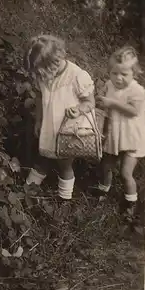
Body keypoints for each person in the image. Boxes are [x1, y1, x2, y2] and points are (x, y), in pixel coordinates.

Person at [24, 34, 95, 200]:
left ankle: (64, 199)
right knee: (42, 158)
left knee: (65, 164)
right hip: (50, 126)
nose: (42, 76)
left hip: (67, 130)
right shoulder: (43, 76)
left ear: (56, 61)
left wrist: (79, 109)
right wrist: (39, 120)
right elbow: (40, 96)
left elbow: (90, 102)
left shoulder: (77, 76)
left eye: (44, 71)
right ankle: (27, 192)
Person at [92, 46, 145, 218]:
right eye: (114, 73)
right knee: (106, 165)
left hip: (132, 136)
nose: (118, 78)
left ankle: (130, 204)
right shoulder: (110, 85)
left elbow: (134, 111)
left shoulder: (137, 90)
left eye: (124, 74)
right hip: (115, 134)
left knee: (125, 172)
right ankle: (102, 193)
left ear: (134, 74)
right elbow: (107, 104)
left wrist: (112, 103)